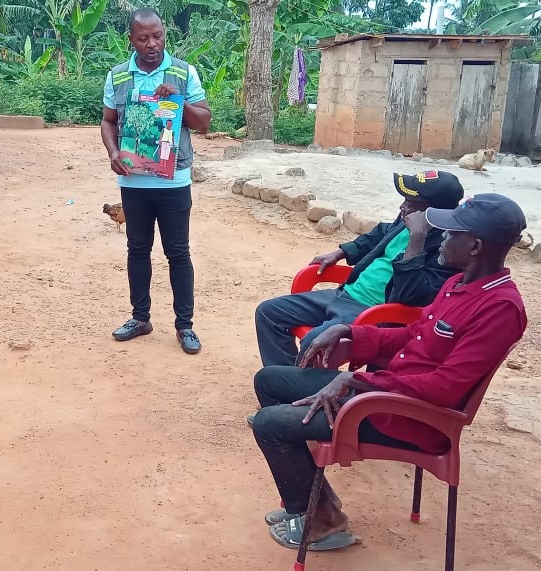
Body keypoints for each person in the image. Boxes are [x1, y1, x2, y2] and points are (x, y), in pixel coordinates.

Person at [250, 193, 527, 551]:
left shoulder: (500, 308)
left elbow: (446, 387)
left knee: (269, 424)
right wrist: (351, 331)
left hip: (411, 417)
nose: (441, 237)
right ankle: (320, 506)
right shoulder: (459, 283)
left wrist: (359, 380)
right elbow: (413, 334)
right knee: (269, 381)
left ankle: (322, 524)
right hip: (386, 396)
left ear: (475, 246)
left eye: (451, 232)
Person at [255, 170, 465, 367]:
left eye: (411, 202)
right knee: (269, 312)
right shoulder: (406, 220)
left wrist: (416, 240)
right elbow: (380, 233)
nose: (402, 206)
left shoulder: (449, 250)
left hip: (374, 312)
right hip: (346, 293)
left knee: (314, 341)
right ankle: (284, 384)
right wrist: (343, 252)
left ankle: (294, 394)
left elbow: (413, 295)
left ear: (434, 211)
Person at [100, 8, 211, 354]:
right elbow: (107, 121)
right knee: (137, 251)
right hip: (134, 183)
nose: (152, 44)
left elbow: (204, 122)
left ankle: (185, 326)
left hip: (173, 180)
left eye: (157, 35)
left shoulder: (183, 72)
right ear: (131, 40)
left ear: (164, 34)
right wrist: (113, 151)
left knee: (178, 253)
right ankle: (140, 317)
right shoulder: (117, 77)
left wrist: (177, 101)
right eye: (143, 38)